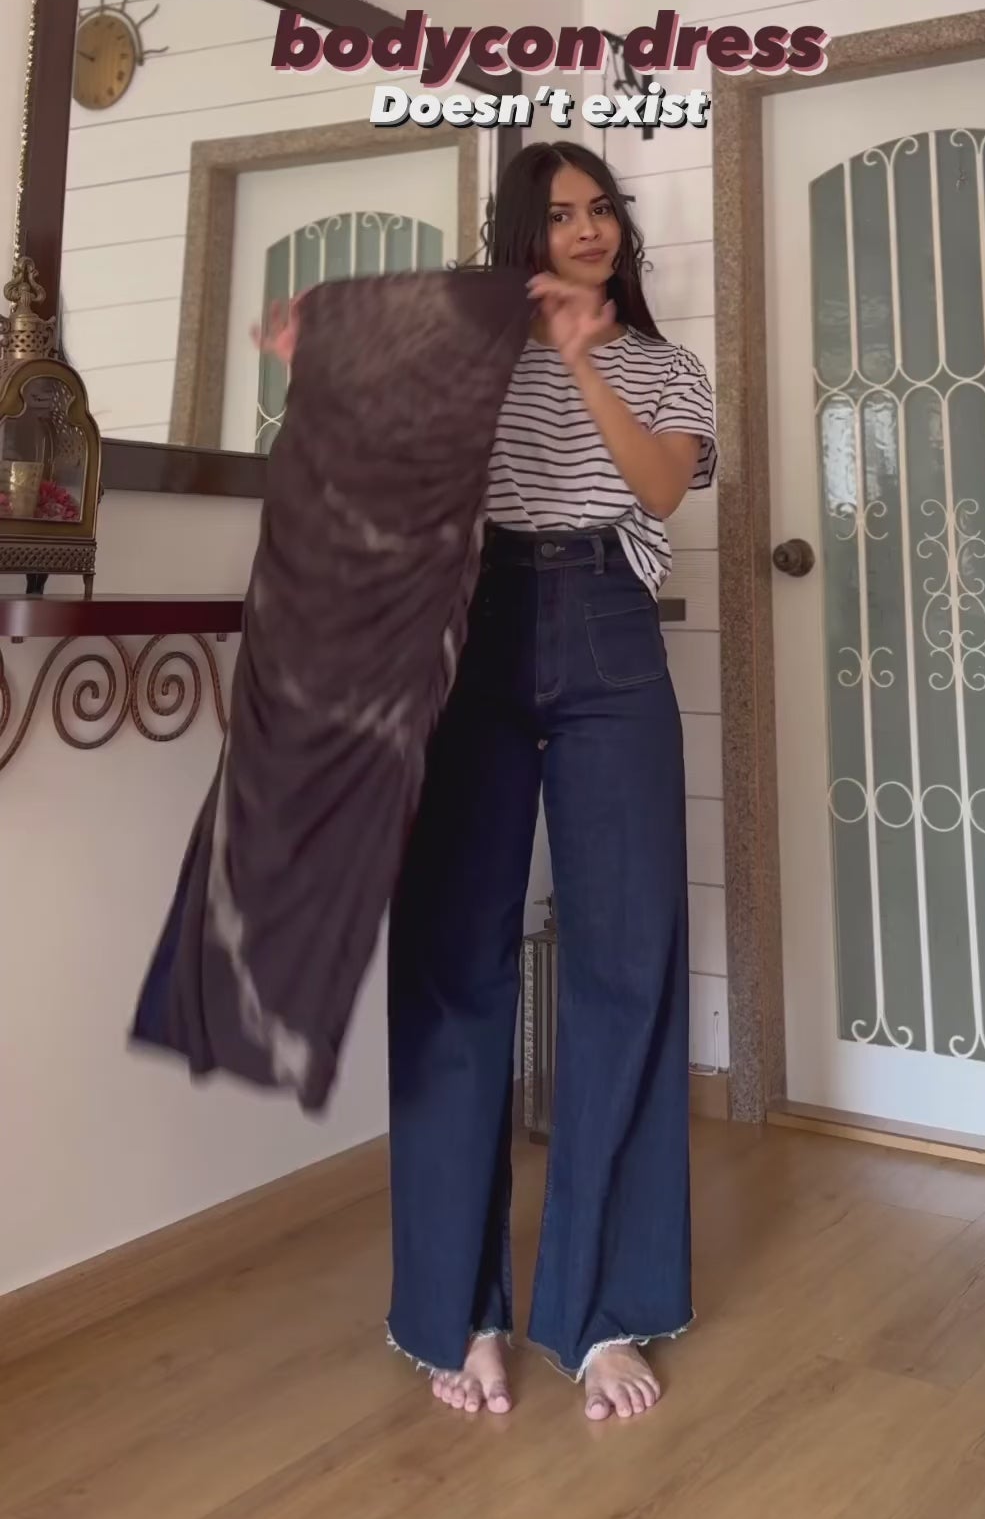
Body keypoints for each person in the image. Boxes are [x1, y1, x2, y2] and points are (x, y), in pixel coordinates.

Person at [263, 140, 716, 1423]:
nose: (589, 230)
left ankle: (601, 1310)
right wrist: (319, 373)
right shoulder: (464, 359)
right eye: (561, 215)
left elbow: (658, 488)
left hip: (609, 633)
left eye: (601, 210)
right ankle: (456, 1310)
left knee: (626, 963)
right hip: (471, 631)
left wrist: (582, 359)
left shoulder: (665, 365)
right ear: (522, 236)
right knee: (453, 963)